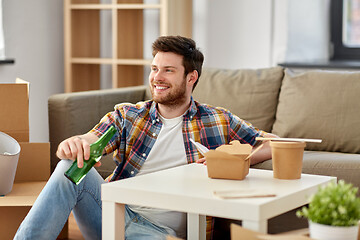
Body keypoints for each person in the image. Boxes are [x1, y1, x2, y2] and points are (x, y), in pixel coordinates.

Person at [14, 35, 277, 240]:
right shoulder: (128, 115)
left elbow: (276, 144)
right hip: (113, 216)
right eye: (154, 69)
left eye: (168, 71)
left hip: (161, 232)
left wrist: (235, 158)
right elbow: (89, 139)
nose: (156, 78)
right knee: (69, 168)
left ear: (191, 77)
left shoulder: (218, 120)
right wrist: (72, 144)